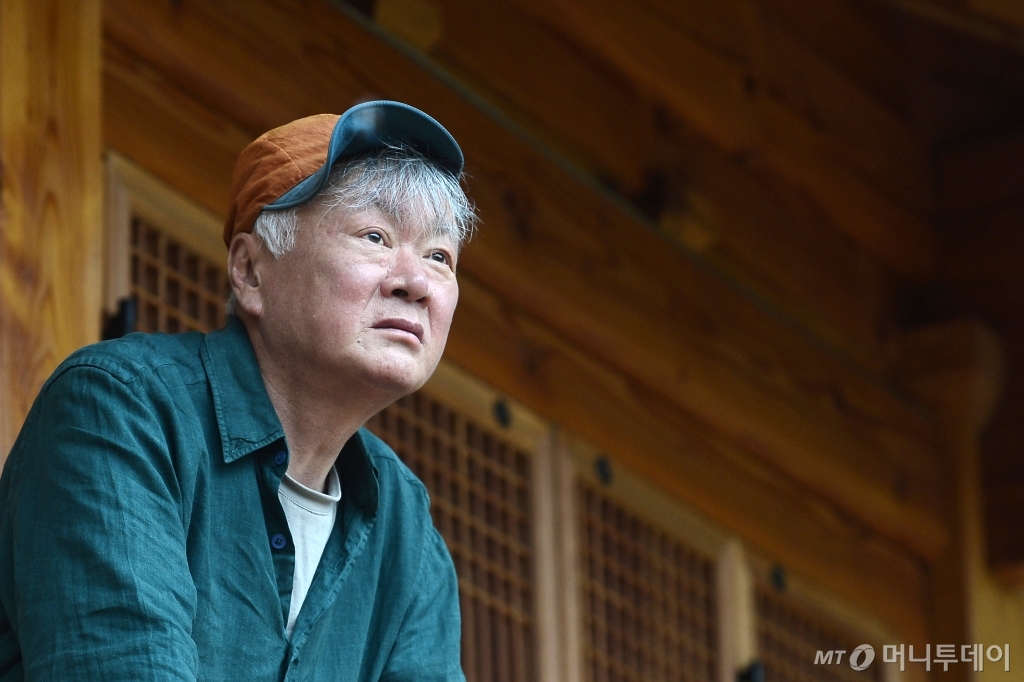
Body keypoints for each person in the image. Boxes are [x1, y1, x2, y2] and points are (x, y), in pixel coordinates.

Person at [0, 100, 475, 681]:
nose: (417, 282)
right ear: (251, 272)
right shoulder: (121, 409)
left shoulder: (407, 529)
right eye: (375, 236)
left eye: (439, 255)